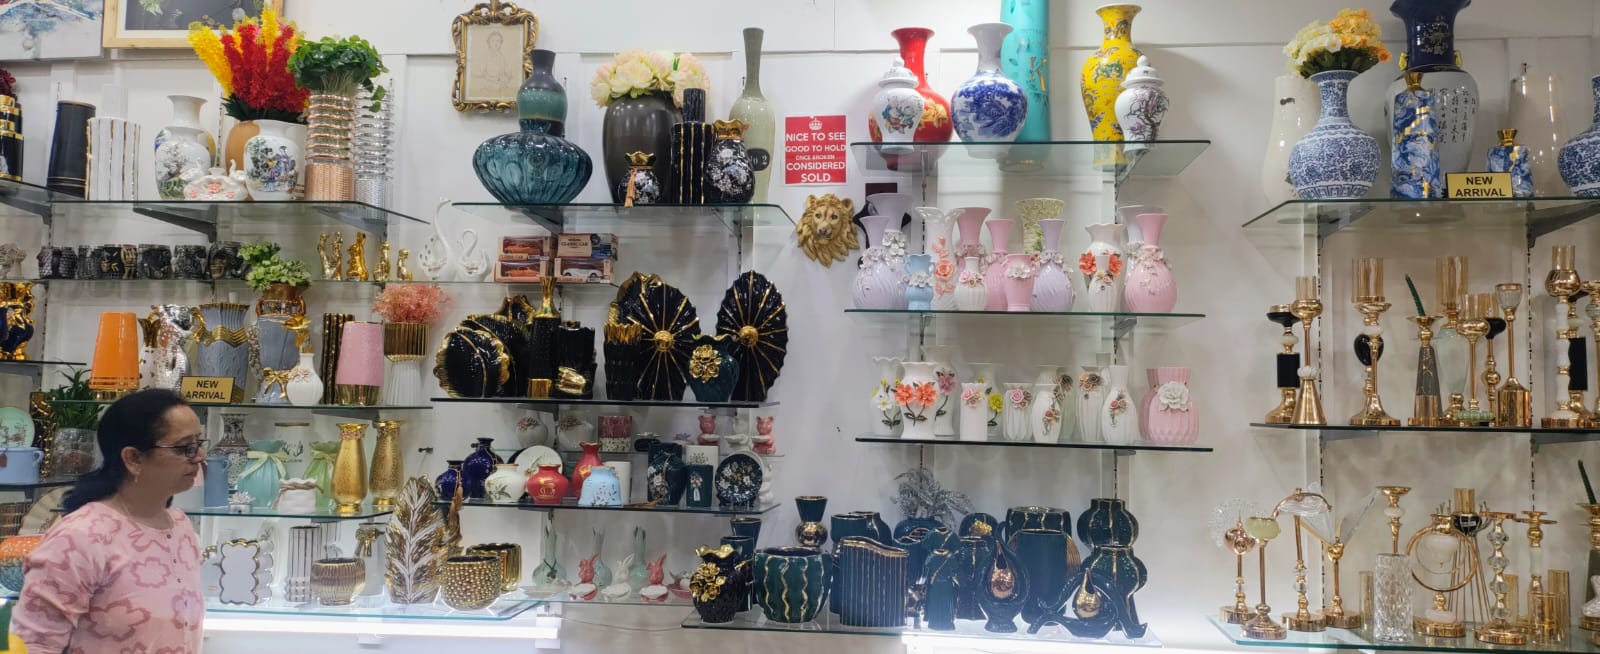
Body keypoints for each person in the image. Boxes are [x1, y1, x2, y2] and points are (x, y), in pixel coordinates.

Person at [13, 389, 206, 654]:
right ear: (133, 458)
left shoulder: (180, 526)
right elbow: (33, 645)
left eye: (199, 444)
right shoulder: (79, 538)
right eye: (185, 448)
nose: (200, 457)